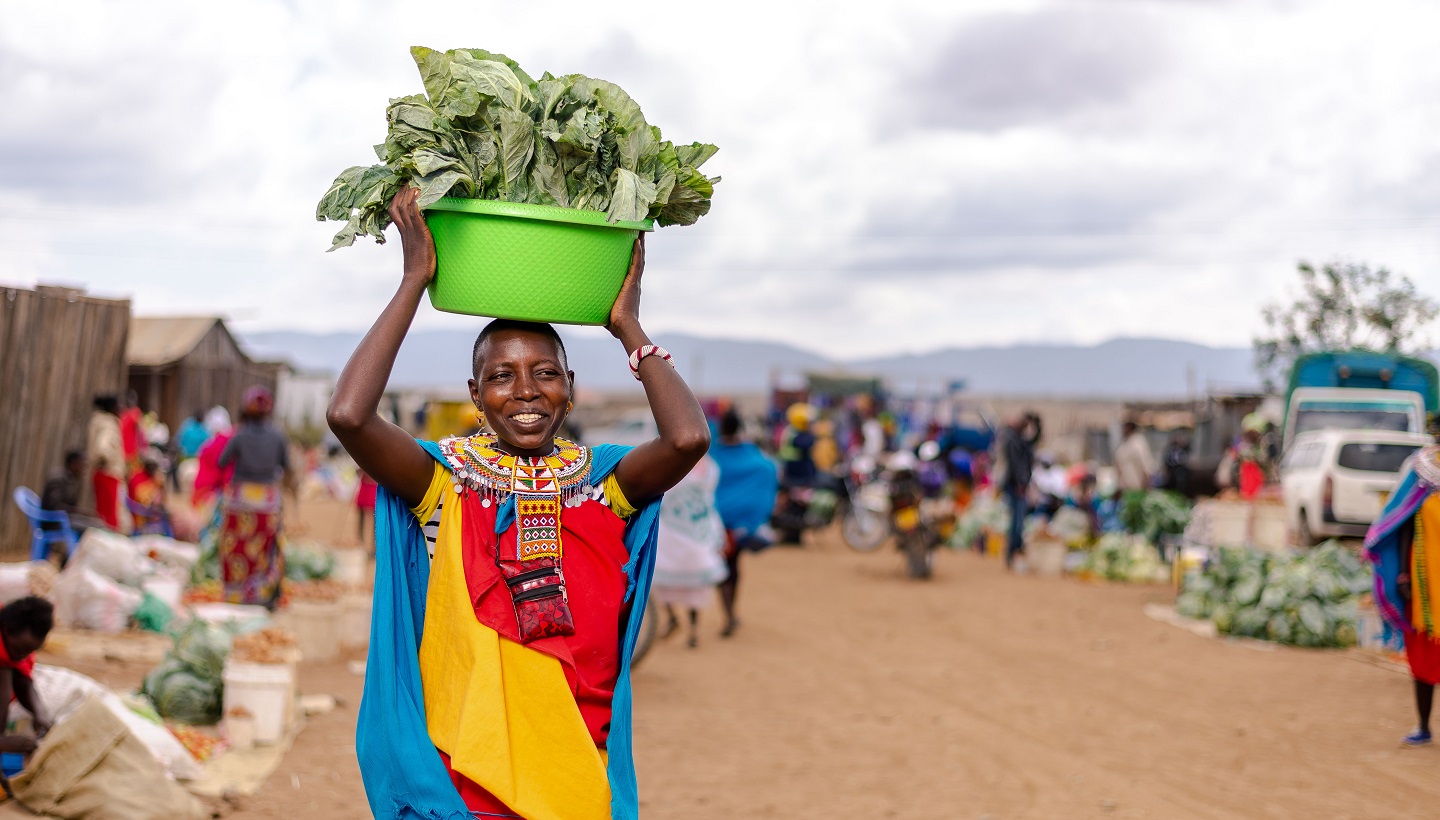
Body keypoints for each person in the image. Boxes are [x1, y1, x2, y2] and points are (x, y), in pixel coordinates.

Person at [330, 187, 709, 819]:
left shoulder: (601, 489)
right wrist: (414, 280)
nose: (526, 391)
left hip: (575, 769)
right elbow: (348, 414)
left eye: (546, 373)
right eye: (503, 376)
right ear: (475, 394)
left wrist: (627, 325)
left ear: (570, 390)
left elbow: (688, 438)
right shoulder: (445, 486)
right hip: (469, 785)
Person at [1365, 444, 1440, 745]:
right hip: (1425, 581)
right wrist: (1402, 574)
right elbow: (1402, 519)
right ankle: (1423, 724)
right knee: (1423, 652)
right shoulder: (1424, 467)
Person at [217, 387, 291, 609]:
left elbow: (222, 461)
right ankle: (261, 595)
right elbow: (286, 466)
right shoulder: (278, 436)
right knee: (264, 548)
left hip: (239, 502)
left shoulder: (239, 435)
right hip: (267, 502)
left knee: (237, 548)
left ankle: (236, 595)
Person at [710, 409, 780, 639]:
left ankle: (729, 613)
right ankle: (731, 613)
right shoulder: (752, 454)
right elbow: (768, 469)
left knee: (724, 568)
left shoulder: (714, 453)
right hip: (740, 525)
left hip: (717, 522)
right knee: (733, 567)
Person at [652, 457, 729, 648]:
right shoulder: (708, 466)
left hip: (692, 531)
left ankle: (690, 629)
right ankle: (677, 622)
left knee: (694, 587)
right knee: (663, 583)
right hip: (680, 531)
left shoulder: (706, 467)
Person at [0, 597, 55, 756]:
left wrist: (40, 713)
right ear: (7, 630)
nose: (22, 657)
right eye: (20, 649)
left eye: (29, 651)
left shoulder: (16, 650)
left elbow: (23, 682)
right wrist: (3, 744)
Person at [996, 412, 1042, 569]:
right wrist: (1020, 484)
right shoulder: (1011, 439)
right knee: (1017, 521)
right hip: (1015, 486)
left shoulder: (1020, 440)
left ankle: (1014, 552)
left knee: (1019, 520)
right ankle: (1012, 552)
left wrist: (1037, 423)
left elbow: (1033, 441)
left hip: (1019, 485)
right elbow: (1016, 465)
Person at [40, 450, 107, 537]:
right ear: (73, 463)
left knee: (98, 523)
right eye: (82, 464)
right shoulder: (58, 479)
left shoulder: (72, 480)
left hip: (65, 518)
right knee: (95, 527)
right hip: (53, 521)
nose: (84, 468)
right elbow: (54, 507)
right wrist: (81, 512)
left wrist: (84, 513)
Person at [86, 395, 124, 530]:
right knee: (108, 517)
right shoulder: (108, 425)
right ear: (112, 408)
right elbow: (103, 447)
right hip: (108, 473)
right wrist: (110, 461)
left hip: (101, 473)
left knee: (103, 513)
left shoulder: (99, 423)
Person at [127, 453, 170, 535]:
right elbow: (141, 499)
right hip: (140, 514)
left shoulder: (154, 478)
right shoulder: (137, 478)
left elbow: (163, 496)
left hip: (150, 510)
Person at [1113, 421, 1157, 493]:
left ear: (1129, 427)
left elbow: (1145, 464)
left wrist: (1147, 483)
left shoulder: (1138, 442)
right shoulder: (1124, 444)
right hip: (1125, 488)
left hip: (1137, 488)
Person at [119, 391, 145, 476]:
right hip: (129, 450)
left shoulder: (123, 414)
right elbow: (141, 430)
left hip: (125, 448)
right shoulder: (135, 412)